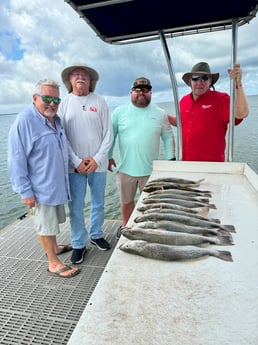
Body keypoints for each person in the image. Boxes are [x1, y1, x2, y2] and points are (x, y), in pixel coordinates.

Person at [8, 79, 80, 278]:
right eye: (47, 98)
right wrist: (25, 191)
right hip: (40, 187)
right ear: (35, 98)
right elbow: (16, 159)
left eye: (56, 99)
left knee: (52, 222)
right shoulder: (25, 120)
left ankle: (54, 247)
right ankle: (53, 262)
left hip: (56, 184)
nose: (52, 103)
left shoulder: (55, 120)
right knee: (45, 223)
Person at [58, 63, 113, 264]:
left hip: (98, 164)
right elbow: (61, 135)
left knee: (98, 203)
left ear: (91, 81)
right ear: (70, 80)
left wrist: (97, 159)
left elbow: (108, 134)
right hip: (74, 167)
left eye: (85, 75)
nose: (81, 77)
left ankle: (96, 233)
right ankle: (79, 243)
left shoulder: (100, 101)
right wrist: (77, 161)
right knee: (76, 207)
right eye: (76, 74)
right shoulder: (64, 103)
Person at [108, 77, 175, 237]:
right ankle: (126, 226)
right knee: (126, 202)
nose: (141, 93)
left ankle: (150, 229)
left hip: (152, 171)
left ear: (150, 93)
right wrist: (108, 156)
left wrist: (171, 159)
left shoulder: (160, 113)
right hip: (125, 169)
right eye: (138, 90)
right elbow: (111, 136)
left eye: (145, 90)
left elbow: (168, 137)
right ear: (131, 92)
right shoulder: (118, 112)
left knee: (154, 204)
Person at [168, 62, 249, 161]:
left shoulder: (221, 100)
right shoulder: (184, 101)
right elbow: (181, 122)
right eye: (195, 78)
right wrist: (163, 116)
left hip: (212, 166)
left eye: (205, 78)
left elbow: (242, 113)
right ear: (190, 82)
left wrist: (238, 84)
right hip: (186, 164)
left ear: (210, 81)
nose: (200, 82)